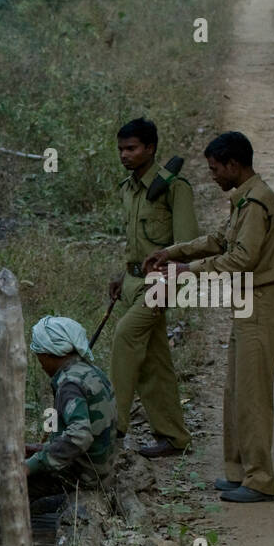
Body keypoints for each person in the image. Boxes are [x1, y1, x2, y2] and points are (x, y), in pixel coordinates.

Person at [144, 131, 274, 503]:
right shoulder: (243, 200)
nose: (213, 176)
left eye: (215, 169)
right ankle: (239, 471)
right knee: (235, 392)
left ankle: (260, 480)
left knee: (253, 395)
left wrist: (187, 271)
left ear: (233, 165)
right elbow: (220, 240)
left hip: (261, 300)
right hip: (246, 302)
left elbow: (242, 258)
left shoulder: (257, 202)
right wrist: (172, 252)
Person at [0, 317, 117, 546]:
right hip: (98, 468)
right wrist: (42, 449)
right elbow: (91, 429)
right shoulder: (91, 372)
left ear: (51, 354)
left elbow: (80, 436)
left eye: (39, 354)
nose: (38, 361)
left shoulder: (69, 383)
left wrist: (31, 465)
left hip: (84, 476)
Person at [109, 117, 199, 458]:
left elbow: (189, 245)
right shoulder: (128, 189)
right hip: (133, 282)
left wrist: (170, 282)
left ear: (150, 148)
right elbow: (135, 243)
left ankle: (111, 426)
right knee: (153, 362)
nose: (124, 155)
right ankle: (174, 436)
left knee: (125, 336)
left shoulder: (175, 187)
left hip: (161, 283)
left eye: (131, 149)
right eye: (120, 149)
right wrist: (122, 275)